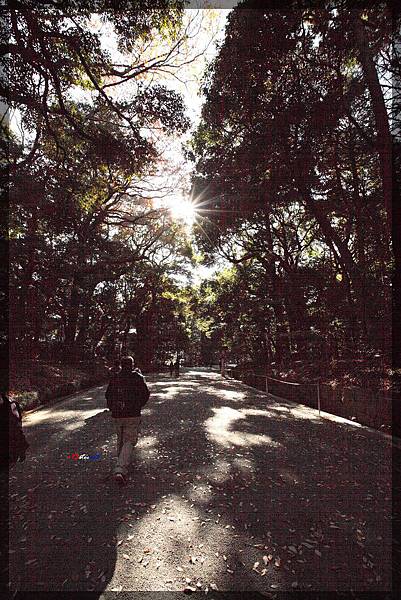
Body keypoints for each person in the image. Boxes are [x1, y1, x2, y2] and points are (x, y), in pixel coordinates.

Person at [105, 356, 150, 485]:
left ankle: (121, 463)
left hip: (117, 414)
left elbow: (108, 395)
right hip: (132, 414)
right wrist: (138, 406)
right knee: (129, 440)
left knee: (121, 439)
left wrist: (112, 407)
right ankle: (120, 469)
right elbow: (146, 394)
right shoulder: (138, 377)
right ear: (132, 364)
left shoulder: (115, 378)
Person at [0, 392, 29, 471]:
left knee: (16, 440)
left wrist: (18, 424)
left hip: (12, 426)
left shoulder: (12, 403)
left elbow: (17, 416)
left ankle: (19, 454)